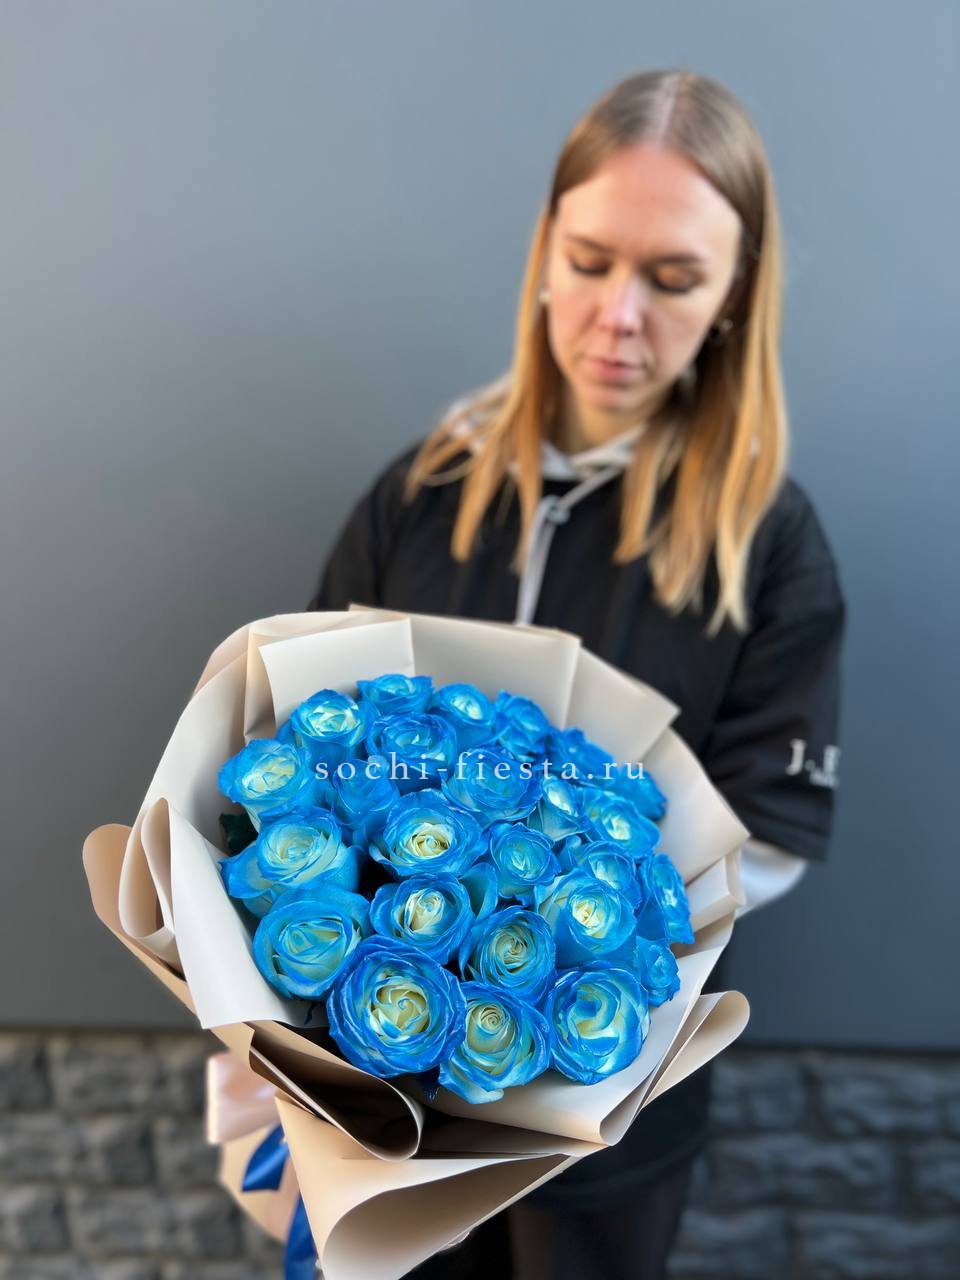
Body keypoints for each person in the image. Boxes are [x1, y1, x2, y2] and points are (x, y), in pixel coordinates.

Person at [305, 67, 845, 1280]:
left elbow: (766, 833)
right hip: (388, 1092)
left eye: (674, 279)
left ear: (735, 295)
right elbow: (302, 743)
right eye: (592, 261)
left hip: (609, 1115)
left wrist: (540, 924)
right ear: (545, 250)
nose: (618, 317)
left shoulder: (768, 540)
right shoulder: (423, 492)